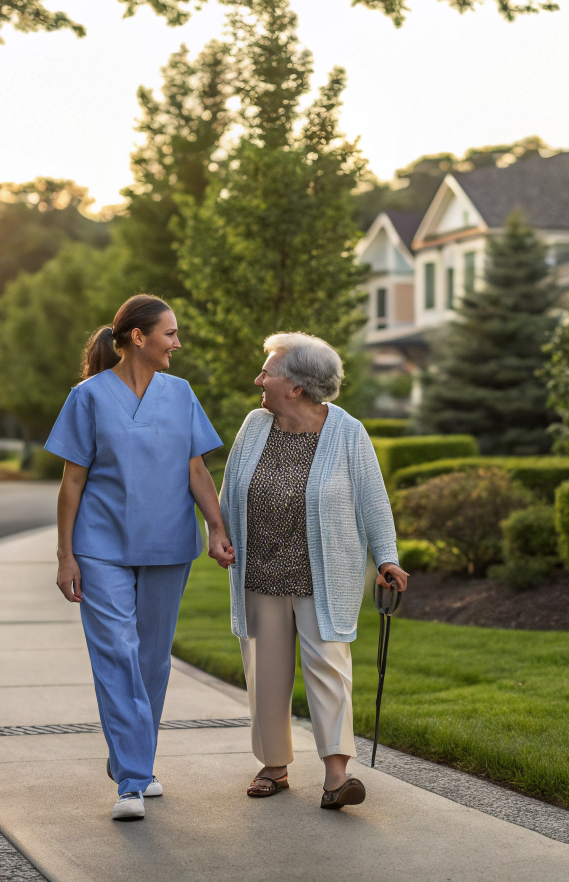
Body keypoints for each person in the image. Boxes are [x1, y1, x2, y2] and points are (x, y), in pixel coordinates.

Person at [46, 295, 231, 822]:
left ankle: (136, 760)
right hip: (100, 545)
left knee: (151, 660)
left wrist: (216, 528)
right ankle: (131, 781)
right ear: (137, 338)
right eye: (170, 333)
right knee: (117, 654)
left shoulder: (181, 394)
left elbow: (196, 470)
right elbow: (72, 482)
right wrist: (66, 556)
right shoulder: (87, 397)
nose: (177, 342)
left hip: (168, 544)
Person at [216, 332, 408, 811]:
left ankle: (337, 776)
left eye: (268, 371)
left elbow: (373, 500)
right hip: (259, 570)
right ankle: (274, 766)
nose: (259, 379)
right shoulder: (255, 425)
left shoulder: (347, 432)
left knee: (328, 670)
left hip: (323, 574)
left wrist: (387, 558)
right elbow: (230, 488)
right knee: (266, 672)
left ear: (297, 386)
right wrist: (218, 534)